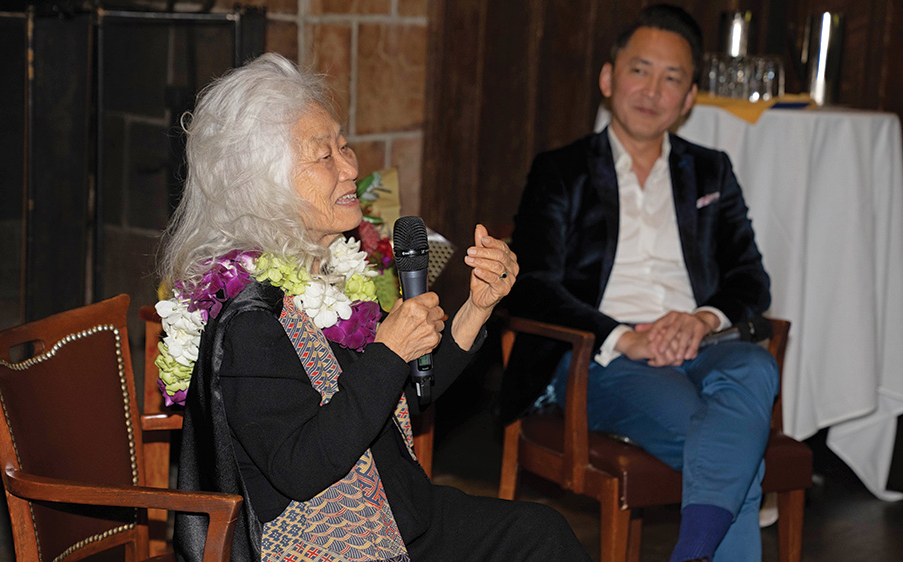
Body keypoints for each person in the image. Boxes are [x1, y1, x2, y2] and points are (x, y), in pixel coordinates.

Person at [156, 53, 591, 562]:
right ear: (264, 184)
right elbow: (301, 468)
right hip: (339, 538)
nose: (351, 167)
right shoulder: (249, 321)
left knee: (542, 533)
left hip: (402, 513)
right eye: (324, 156)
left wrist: (476, 307)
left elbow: (405, 393)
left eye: (343, 145)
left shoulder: (328, 272)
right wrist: (388, 352)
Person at [498, 5, 778, 562]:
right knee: (734, 448)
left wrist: (701, 320)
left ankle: (693, 550)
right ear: (608, 78)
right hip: (603, 357)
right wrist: (625, 337)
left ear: (691, 96)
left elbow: (751, 278)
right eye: (639, 70)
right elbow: (533, 284)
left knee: (756, 366)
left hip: (701, 344)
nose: (653, 90)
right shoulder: (563, 170)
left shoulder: (710, 170)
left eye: (672, 77)